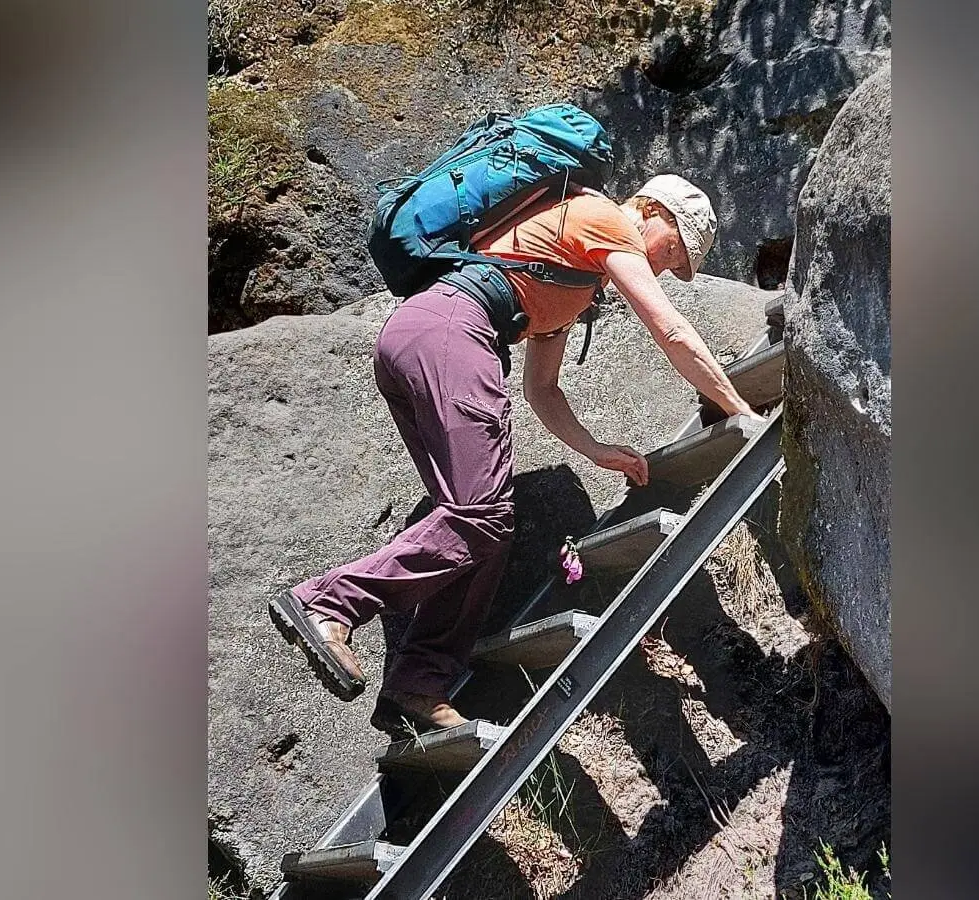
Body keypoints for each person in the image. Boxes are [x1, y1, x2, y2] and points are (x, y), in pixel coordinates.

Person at [270, 173, 763, 737]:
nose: (667, 269)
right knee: (480, 514)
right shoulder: (601, 219)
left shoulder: (576, 277)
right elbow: (669, 329)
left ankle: (418, 682)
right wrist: (736, 407)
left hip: (421, 338)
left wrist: (596, 450)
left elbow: (543, 391)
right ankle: (330, 603)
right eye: (673, 251)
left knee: (484, 526)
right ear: (651, 210)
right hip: (453, 332)